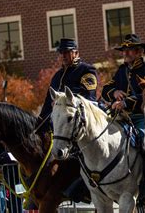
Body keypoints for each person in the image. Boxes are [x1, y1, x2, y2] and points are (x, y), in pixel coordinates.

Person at [101, 33, 145, 205]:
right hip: (121, 117)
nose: (125, 54)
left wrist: (126, 102)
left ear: (140, 52)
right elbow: (106, 88)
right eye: (124, 51)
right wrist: (114, 93)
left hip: (142, 117)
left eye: (129, 51)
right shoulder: (121, 70)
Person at [39, 37, 98, 203]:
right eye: (61, 53)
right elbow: (47, 103)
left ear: (76, 52)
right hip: (60, 124)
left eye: (67, 52)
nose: (64, 56)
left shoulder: (87, 70)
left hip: (84, 121)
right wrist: (39, 125)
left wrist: (64, 99)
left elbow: (89, 96)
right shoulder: (57, 76)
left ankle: (83, 186)